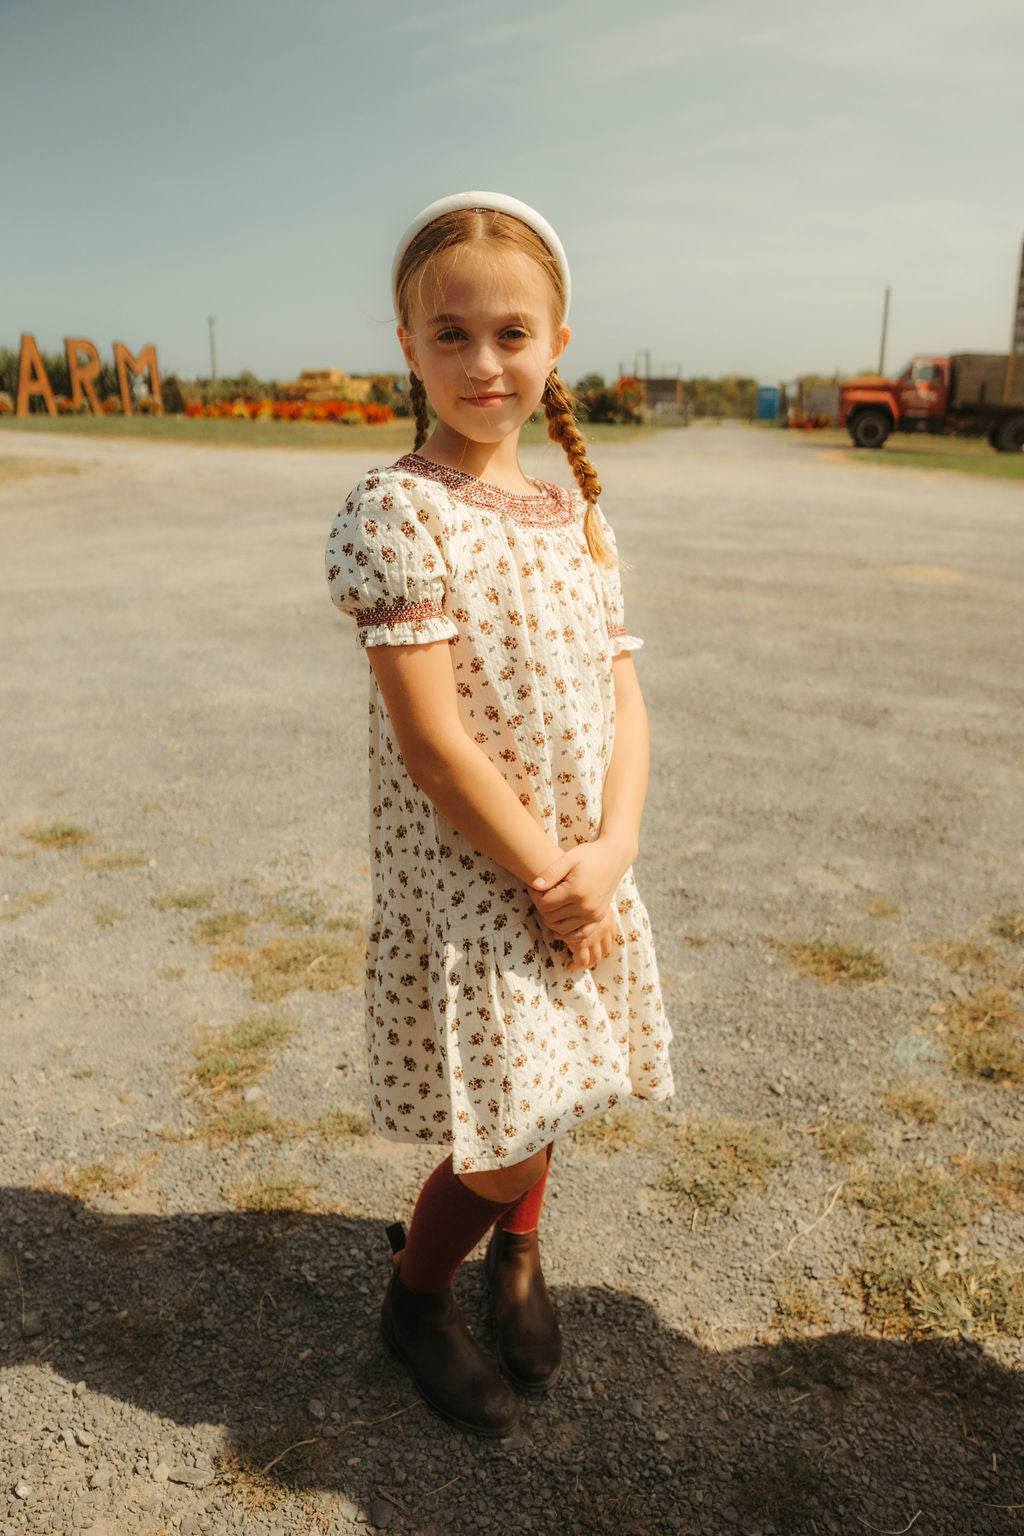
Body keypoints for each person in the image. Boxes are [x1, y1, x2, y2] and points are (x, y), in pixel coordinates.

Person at [325, 191, 673, 1436]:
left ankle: (517, 1253)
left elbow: (627, 701)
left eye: (511, 334)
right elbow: (432, 744)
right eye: (451, 334)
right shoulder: (397, 510)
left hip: (581, 858)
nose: (484, 361)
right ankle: (419, 1295)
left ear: (558, 343)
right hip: (484, 874)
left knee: (556, 1081)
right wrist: (547, 874)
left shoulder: (578, 514)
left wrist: (612, 850)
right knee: (506, 1129)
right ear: (409, 345)